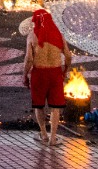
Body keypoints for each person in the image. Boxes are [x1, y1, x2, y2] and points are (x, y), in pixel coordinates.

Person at [24, 8, 73, 146]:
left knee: (39, 106)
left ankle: (44, 135)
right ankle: (53, 138)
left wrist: (25, 75)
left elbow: (28, 59)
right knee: (55, 107)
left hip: (39, 73)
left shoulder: (33, 36)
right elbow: (68, 56)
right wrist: (65, 70)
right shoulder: (58, 35)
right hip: (55, 73)